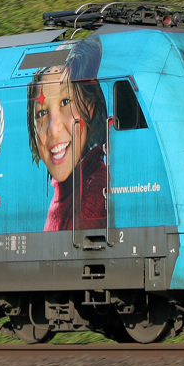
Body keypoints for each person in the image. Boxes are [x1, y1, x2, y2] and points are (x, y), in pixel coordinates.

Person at [26, 36, 108, 231]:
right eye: (41, 113)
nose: (53, 128)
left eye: (65, 102)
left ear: (89, 106)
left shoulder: (93, 197)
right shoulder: (63, 195)